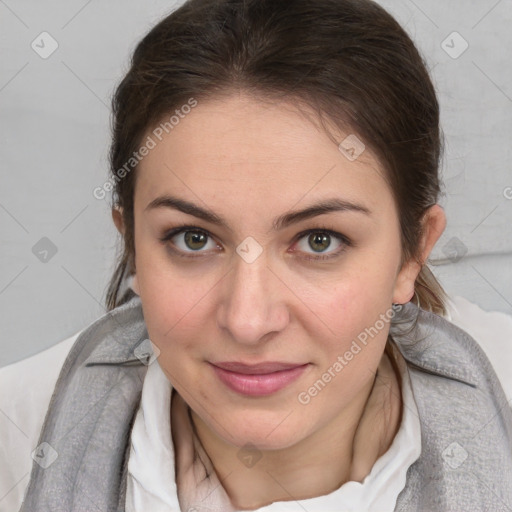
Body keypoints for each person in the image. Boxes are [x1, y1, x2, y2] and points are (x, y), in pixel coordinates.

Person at [2, 0, 512, 510]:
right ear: (132, 244)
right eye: (193, 238)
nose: (248, 321)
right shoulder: (18, 440)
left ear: (412, 253)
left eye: (319, 240)